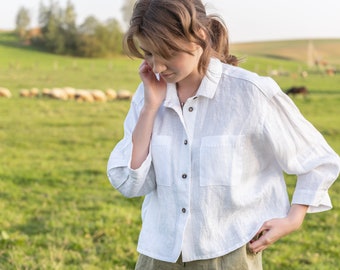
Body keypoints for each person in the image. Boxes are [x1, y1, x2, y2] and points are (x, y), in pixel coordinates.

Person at [107, 0, 340, 269]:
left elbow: (318, 160)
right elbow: (131, 183)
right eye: (148, 54)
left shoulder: (250, 92)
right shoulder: (149, 94)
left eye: (166, 53)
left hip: (229, 254)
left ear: (200, 37)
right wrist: (150, 107)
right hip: (158, 254)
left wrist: (293, 219)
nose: (157, 67)